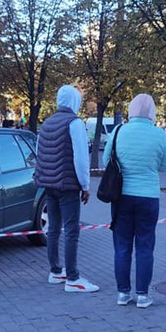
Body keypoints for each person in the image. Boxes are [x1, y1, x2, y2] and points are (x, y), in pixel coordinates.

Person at [102, 94, 166, 308]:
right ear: (152, 112)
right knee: (145, 246)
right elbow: (165, 165)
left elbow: (107, 161)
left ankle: (123, 293)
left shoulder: (119, 131)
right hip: (149, 197)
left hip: (121, 197)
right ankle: (143, 295)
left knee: (122, 246)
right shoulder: (159, 134)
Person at [34, 85, 98, 293]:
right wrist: (85, 186)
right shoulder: (75, 123)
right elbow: (80, 158)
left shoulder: (47, 123)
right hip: (68, 186)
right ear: (75, 101)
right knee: (71, 231)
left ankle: (55, 271)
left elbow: (39, 153)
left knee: (53, 228)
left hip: (48, 185)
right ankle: (73, 278)